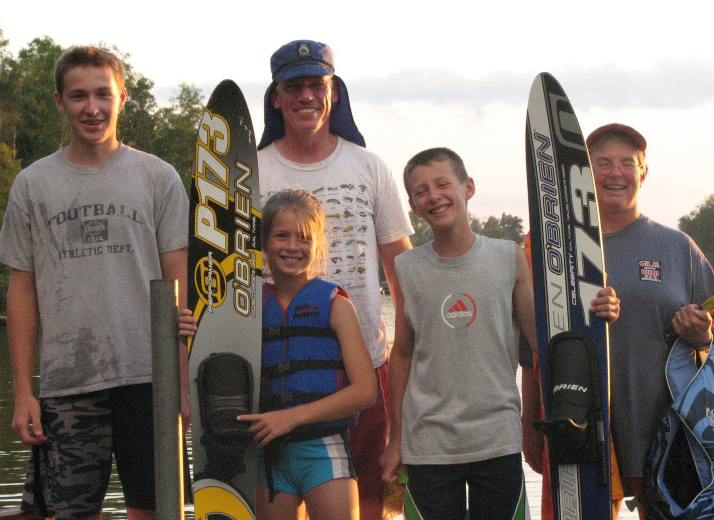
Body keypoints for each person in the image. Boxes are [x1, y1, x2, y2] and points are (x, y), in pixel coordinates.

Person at [0, 46, 190, 520]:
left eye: (103, 94)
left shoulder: (158, 177)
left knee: (158, 510)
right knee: (67, 513)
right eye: (78, 96)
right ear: (61, 102)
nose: (92, 107)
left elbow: (178, 281)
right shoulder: (32, 184)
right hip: (68, 384)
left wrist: (184, 384)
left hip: (151, 378)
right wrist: (24, 392)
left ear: (123, 97)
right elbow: (22, 291)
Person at [524, 123, 714, 520]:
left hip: (667, 428)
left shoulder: (677, 247)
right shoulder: (551, 246)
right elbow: (529, 345)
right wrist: (529, 425)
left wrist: (703, 334)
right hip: (581, 423)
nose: (615, 173)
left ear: (643, 172)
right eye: (602, 163)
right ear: (585, 172)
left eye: (627, 163)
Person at [257, 39, 414, 519]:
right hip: (276, 367)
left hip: (366, 362)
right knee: (280, 490)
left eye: (316, 85)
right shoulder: (249, 170)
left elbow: (402, 273)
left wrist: (414, 354)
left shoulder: (369, 167)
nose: (307, 96)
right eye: (294, 87)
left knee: (369, 494)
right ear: (277, 97)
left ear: (334, 94)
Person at [181, 189, 377, 520]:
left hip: (323, 449)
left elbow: (365, 392)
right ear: (263, 242)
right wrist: (187, 327)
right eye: (281, 235)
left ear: (317, 244)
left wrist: (291, 417)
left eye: (304, 238)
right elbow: (209, 355)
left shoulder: (336, 305)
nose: (292, 246)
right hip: (265, 457)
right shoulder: (245, 308)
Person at [379, 147, 540, 519]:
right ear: (414, 207)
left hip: (497, 439)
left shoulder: (509, 256)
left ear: (467, 187)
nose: (433, 196)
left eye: (442, 184)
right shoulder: (407, 267)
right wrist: (396, 438)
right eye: (421, 192)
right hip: (428, 444)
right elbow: (401, 354)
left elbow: (538, 342)